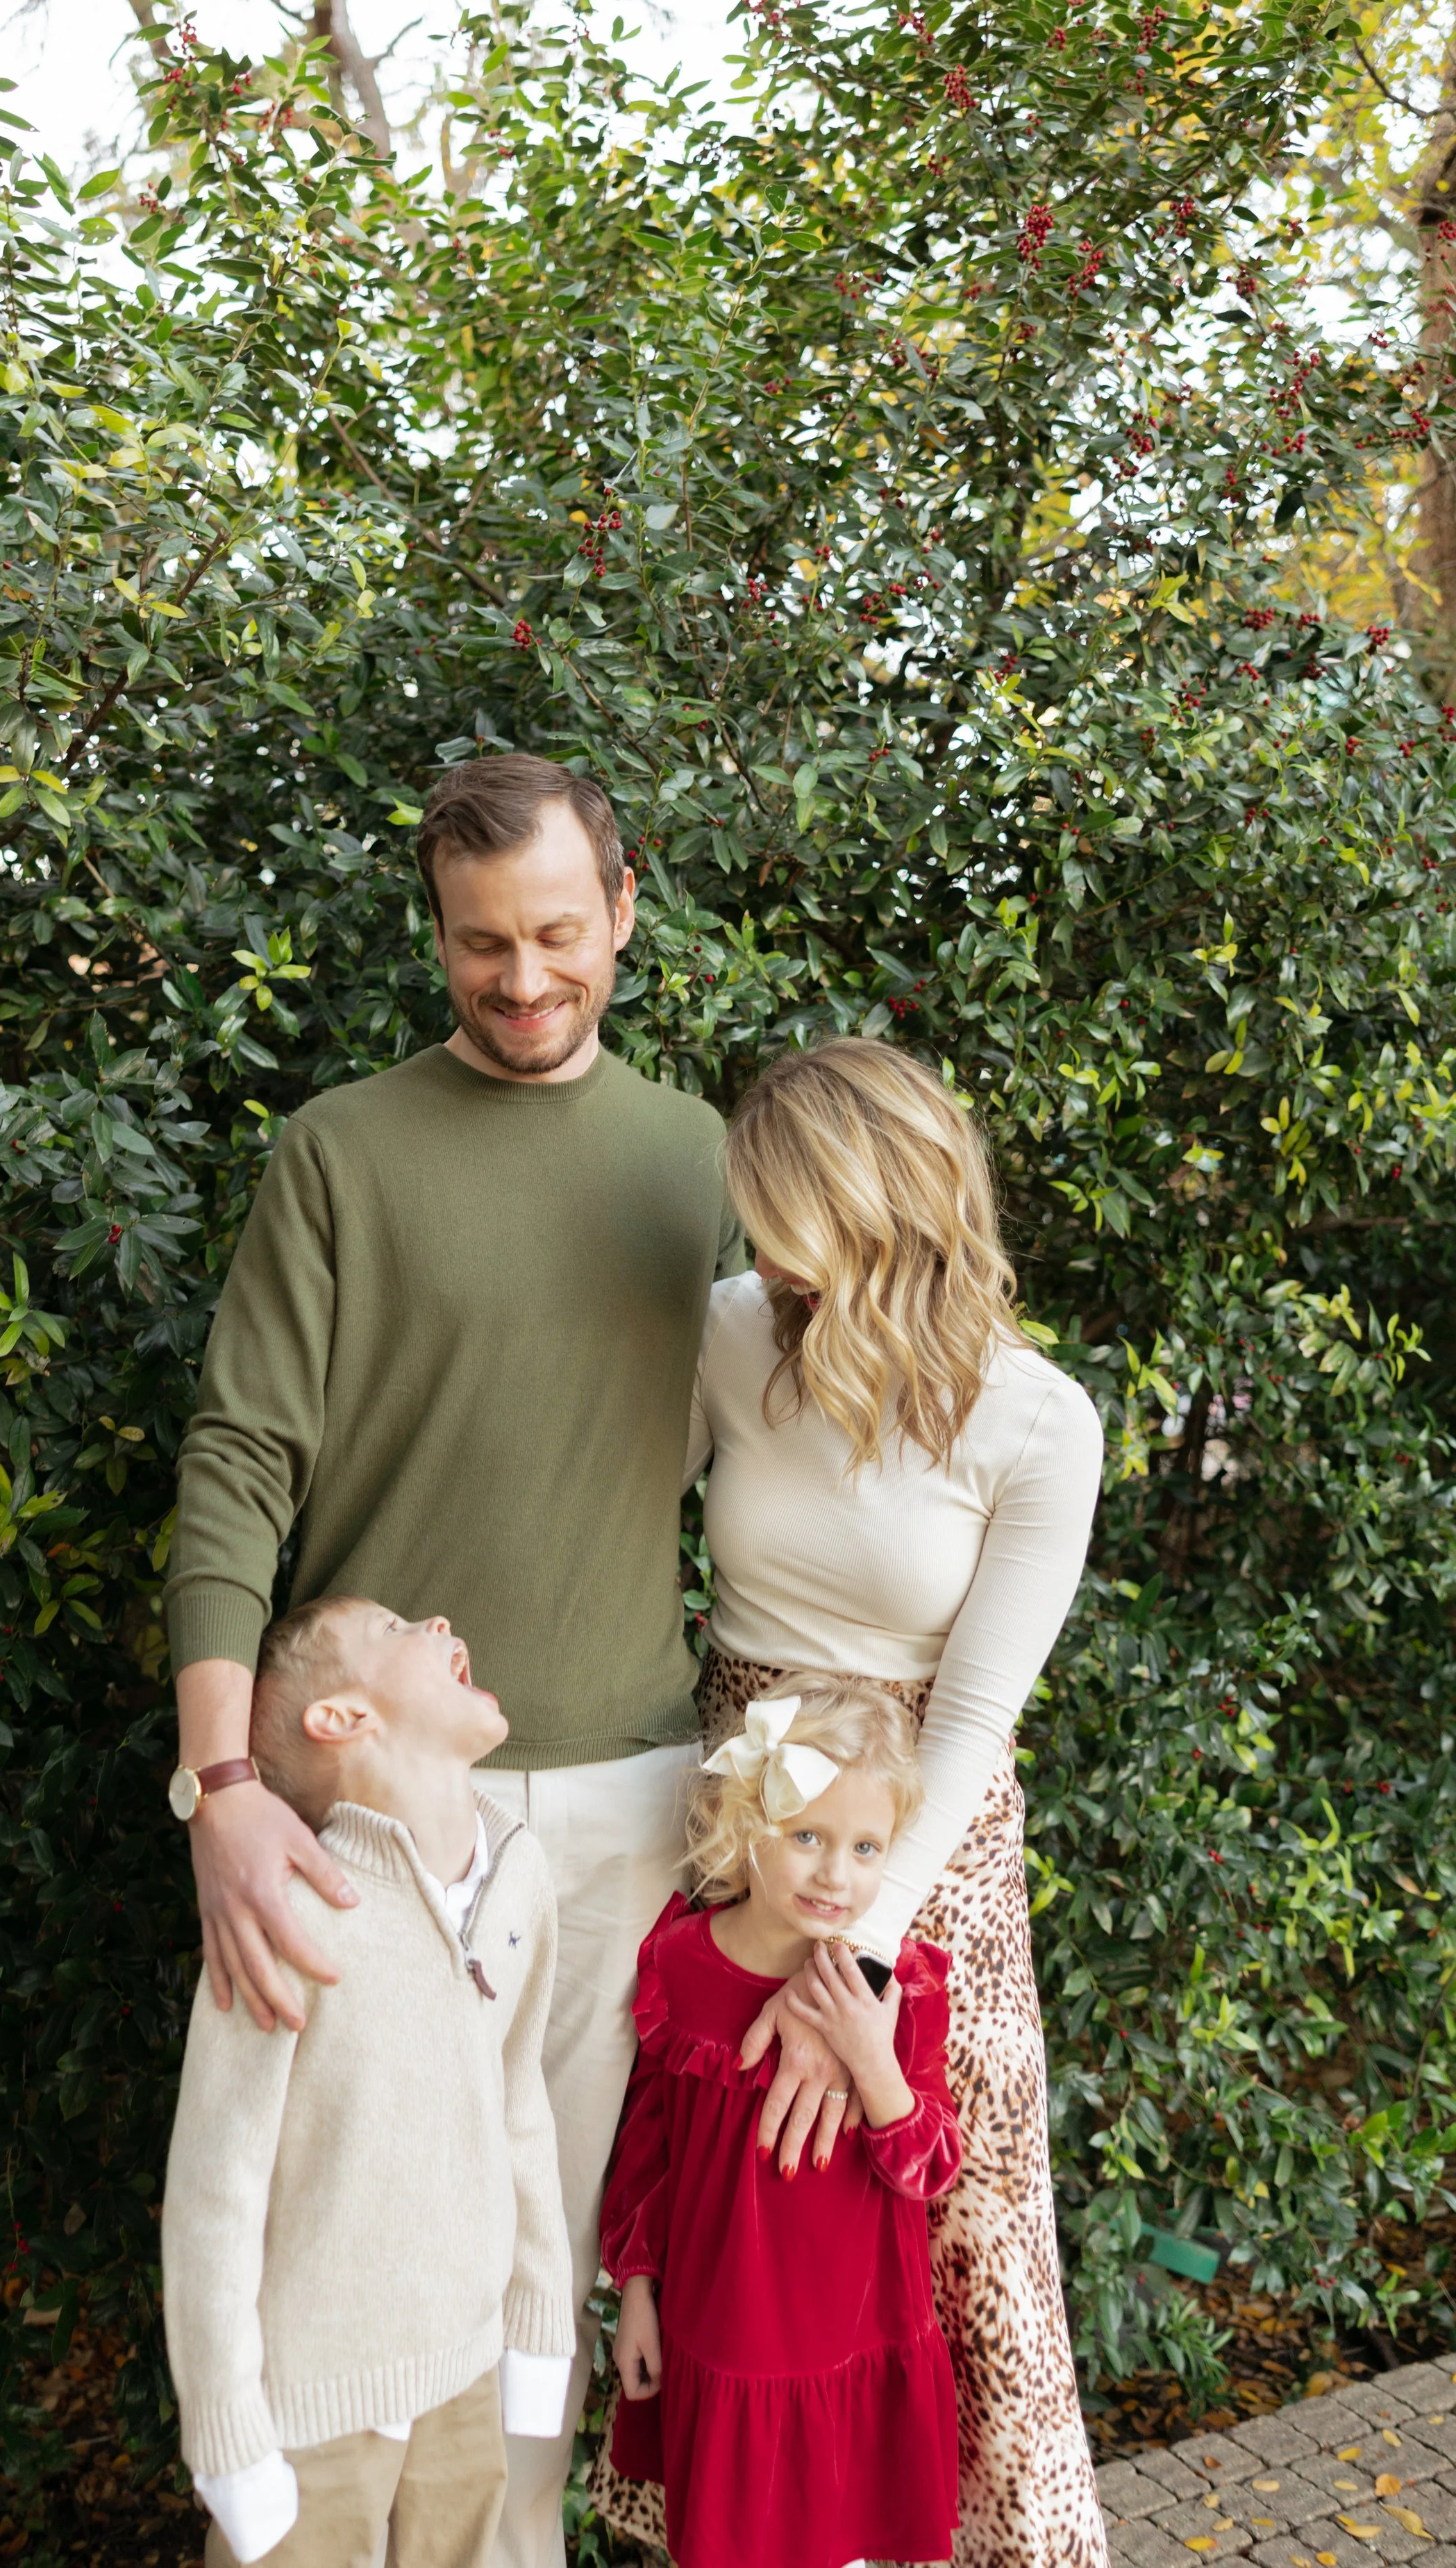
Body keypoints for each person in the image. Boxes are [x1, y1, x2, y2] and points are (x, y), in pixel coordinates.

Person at [165, 753, 768, 2568]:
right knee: (323, 2258)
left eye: (558, 935)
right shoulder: (340, 1148)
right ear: (435, 930)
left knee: (543, 2260)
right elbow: (237, 1455)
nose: (520, 980)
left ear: (625, 910)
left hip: (618, 1807)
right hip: (365, 1823)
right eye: (478, 943)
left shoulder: (698, 1163)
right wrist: (219, 1786)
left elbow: (789, 1452)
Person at [688, 1037, 1107, 2567]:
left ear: (869, 1207)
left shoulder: (1035, 1420)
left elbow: (977, 1722)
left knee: (951, 2230)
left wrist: (853, 1954)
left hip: (922, 1861)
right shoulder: (734, 1330)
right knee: (761, 2233)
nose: (758, 1252)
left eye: (778, 1216)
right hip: (738, 1823)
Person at [162, 1596, 574, 2568]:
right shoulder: (286, 1907)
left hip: (466, 2374)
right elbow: (216, 2189)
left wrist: (538, 2322)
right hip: (311, 2413)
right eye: (396, 1629)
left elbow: (522, 2111)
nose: (437, 1619)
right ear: (341, 1718)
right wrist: (227, 2435)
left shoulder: (520, 1872)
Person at [600, 1676, 963, 2568]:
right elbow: (647, 2152)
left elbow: (932, 2165)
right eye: (807, 1837)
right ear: (746, 1822)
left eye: (866, 1846)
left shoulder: (897, 1987)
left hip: (851, 2331)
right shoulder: (680, 1961)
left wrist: (871, 2060)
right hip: (723, 2328)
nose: (836, 1874)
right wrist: (636, 2292)